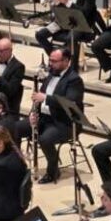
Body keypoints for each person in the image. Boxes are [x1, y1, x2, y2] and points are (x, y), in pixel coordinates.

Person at [14, 47, 83, 184]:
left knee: (45, 139)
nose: (50, 64)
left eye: (54, 61)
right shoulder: (51, 75)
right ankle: (17, 164)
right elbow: (38, 100)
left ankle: (53, 171)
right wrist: (33, 114)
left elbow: (69, 102)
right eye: (50, 60)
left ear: (66, 61)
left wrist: (45, 97)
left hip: (64, 123)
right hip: (44, 118)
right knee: (15, 128)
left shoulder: (74, 80)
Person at [35, 0, 102, 66]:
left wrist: (67, 2)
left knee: (71, 37)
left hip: (80, 24)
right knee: (40, 34)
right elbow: (61, 10)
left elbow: (85, 12)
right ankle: (56, 59)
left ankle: (73, 68)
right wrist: (57, 3)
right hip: (63, 22)